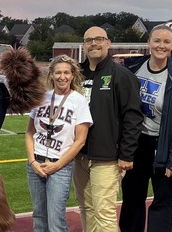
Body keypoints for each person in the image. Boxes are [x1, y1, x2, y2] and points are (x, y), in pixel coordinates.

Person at [119, 24, 172, 232]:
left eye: (166, 42)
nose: (161, 46)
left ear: (171, 46)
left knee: (162, 203)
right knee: (132, 199)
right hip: (136, 143)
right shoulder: (133, 69)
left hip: (163, 145)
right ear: (149, 43)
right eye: (157, 41)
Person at [73, 26, 143, 232]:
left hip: (107, 157)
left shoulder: (121, 75)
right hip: (80, 156)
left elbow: (133, 116)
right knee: (86, 208)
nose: (93, 43)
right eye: (88, 40)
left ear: (108, 43)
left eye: (98, 39)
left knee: (104, 212)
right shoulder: (78, 74)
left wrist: (127, 154)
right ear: (84, 45)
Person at [25, 55, 93, 232]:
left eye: (66, 73)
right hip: (36, 164)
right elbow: (29, 132)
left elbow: (80, 141)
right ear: (51, 75)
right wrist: (32, 162)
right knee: (39, 217)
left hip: (60, 166)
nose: (62, 77)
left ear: (73, 75)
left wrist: (57, 166)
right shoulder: (42, 98)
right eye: (58, 73)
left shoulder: (79, 101)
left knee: (56, 221)